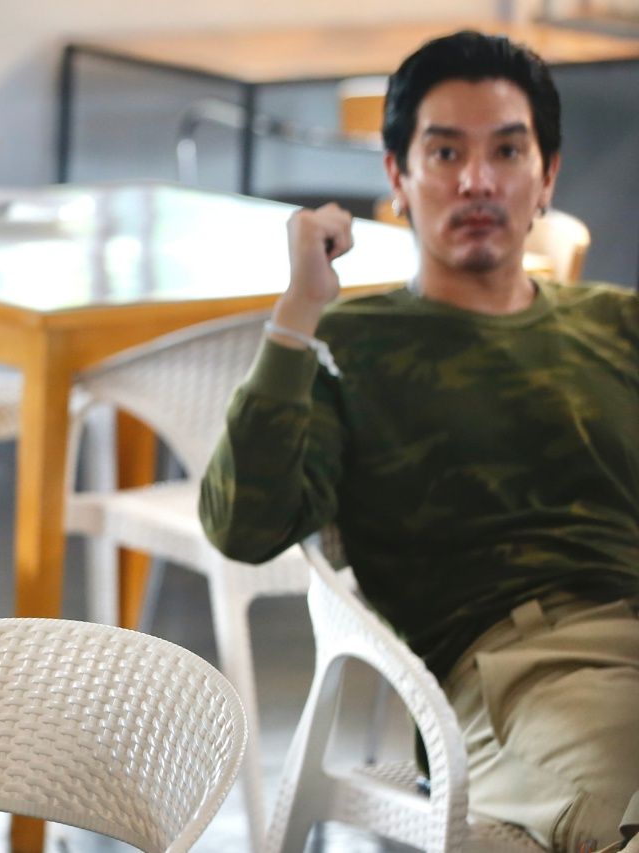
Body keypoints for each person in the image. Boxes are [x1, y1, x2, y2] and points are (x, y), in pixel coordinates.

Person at [199, 30, 639, 853]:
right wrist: (298, 312)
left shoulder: (617, 323)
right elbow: (242, 525)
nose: (477, 180)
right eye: (445, 153)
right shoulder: (349, 345)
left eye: (507, 150)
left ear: (547, 175)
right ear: (398, 178)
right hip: (521, 673)